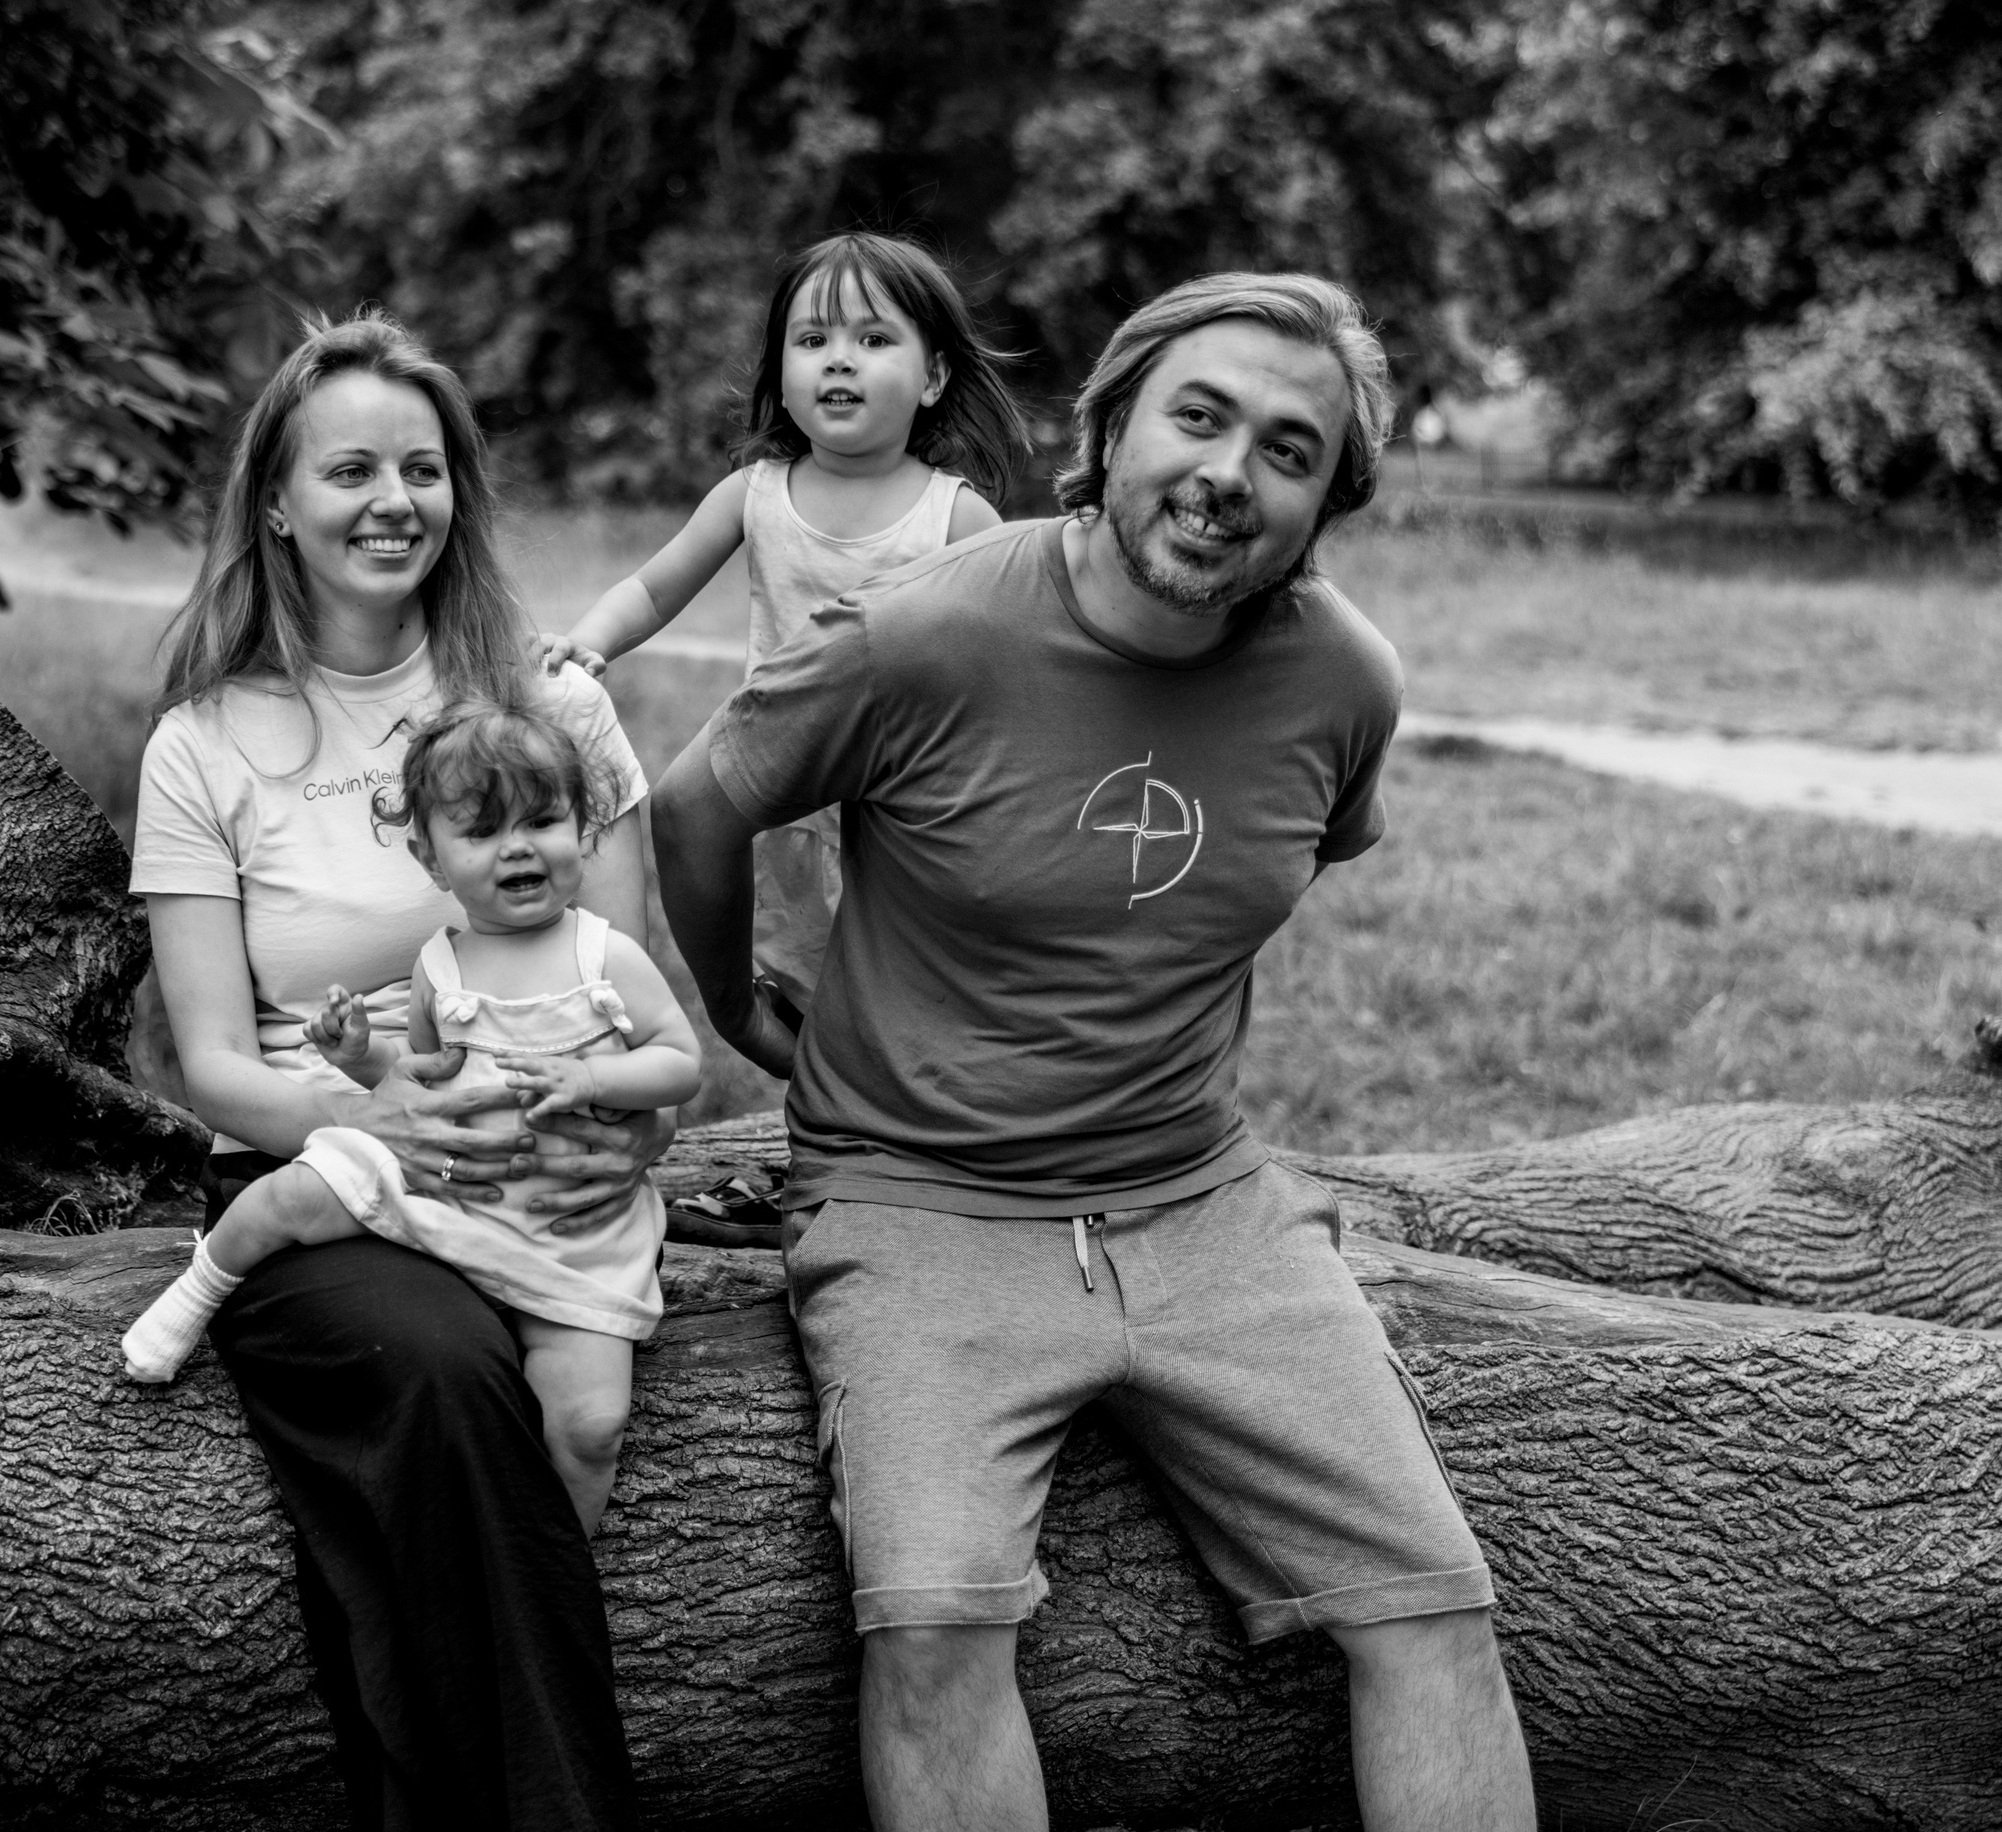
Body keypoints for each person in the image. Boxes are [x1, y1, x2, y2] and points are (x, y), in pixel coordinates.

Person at [652, 272, 1536, 1832]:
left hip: (1208, 1204)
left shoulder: (1347, 682)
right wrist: (739, 1010)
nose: (1226, 474)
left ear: (1329, 500)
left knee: (1434, 1606)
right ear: (1112, 424)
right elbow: (698, 802)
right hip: (916, 1204)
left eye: (1288, 450)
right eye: (1196, 417)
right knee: (931, 1627)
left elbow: (1275, 864)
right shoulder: (924, 633)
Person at [126, 311, 664, 1830]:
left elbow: (625, 1001)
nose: (393, 499)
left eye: (423, 468)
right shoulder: (205, 744)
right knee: (436, 1371)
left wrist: (593, 1137)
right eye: (350, 467)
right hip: (324, 1175)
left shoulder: (552, 706)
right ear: (277, 505)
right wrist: (374, 1113)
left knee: (539, 1398)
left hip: (551, 1174)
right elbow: (218, 1063)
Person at [125, 697, 703, 1535]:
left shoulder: (604, 953)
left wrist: (592, 1076)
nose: (517, 847)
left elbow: (680, 1061)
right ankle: (200, 1286)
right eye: (482, 831)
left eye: (543, 821)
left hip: (568, 1222)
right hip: (452, 1188)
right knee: (302, 1191)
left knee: (588, 1425)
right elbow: (420, 1078)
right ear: (431, 860)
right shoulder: (441, 966)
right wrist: (361, 1056)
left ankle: (551, 1559)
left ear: (583, 831)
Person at [541, 232, 1025, 1017]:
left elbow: (1009, 657)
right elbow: (656, 588)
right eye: (813, 339)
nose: (839, 359)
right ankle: (814, 1077)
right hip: (782, 782)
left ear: (933, 376)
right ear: (782, 374)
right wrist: (589, 641)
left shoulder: (957, 516)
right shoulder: (754, 494)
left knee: (915, 975)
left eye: (873, 339)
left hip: (911, 795)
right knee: (807, 974)